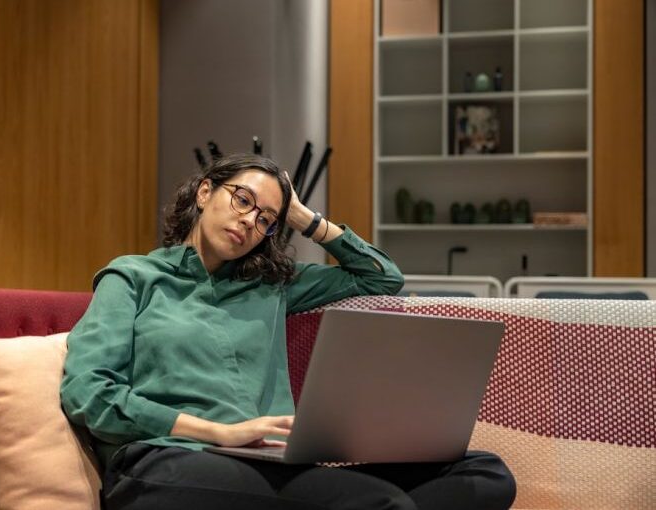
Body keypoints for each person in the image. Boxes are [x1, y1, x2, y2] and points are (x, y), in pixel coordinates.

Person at [60, 153, 516, 510]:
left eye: (265, 220)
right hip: (164, 462)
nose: (249, 221)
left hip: (265, 461)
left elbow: (382, 277)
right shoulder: (133, 277)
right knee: (376, 502)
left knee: (485, 475)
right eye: (242, 200)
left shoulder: (270, 286)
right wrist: (219, 432)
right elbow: (88, 392)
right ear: (204, 193)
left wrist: (304, 218)